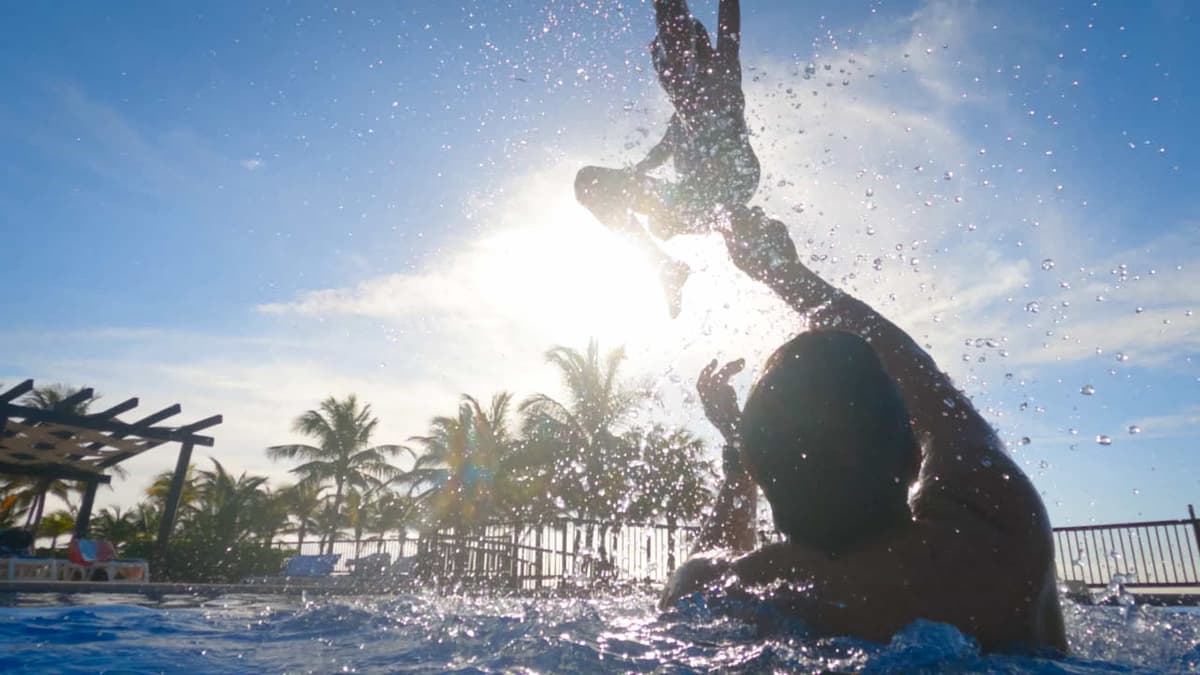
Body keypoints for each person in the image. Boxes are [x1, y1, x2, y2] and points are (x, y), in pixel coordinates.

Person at [661, 206, 1068, 654]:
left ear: (758, 468)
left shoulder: (725, 595)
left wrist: (739, 455)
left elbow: (705, 561)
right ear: (915, 457)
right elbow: (936, 397)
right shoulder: (998, 543)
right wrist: (787, 275)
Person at [575, 0, 760, 318]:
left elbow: (728, 26)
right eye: (661, 66)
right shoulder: (678, 121)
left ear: (697, 51)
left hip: (735, 180)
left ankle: (730, 220)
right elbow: (656, 155)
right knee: (589, 182)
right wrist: (630, 178)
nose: (665, 74)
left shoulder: (723, 71)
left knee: (664, 217)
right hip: (694, 195)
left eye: (669, 60)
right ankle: (664, 266)